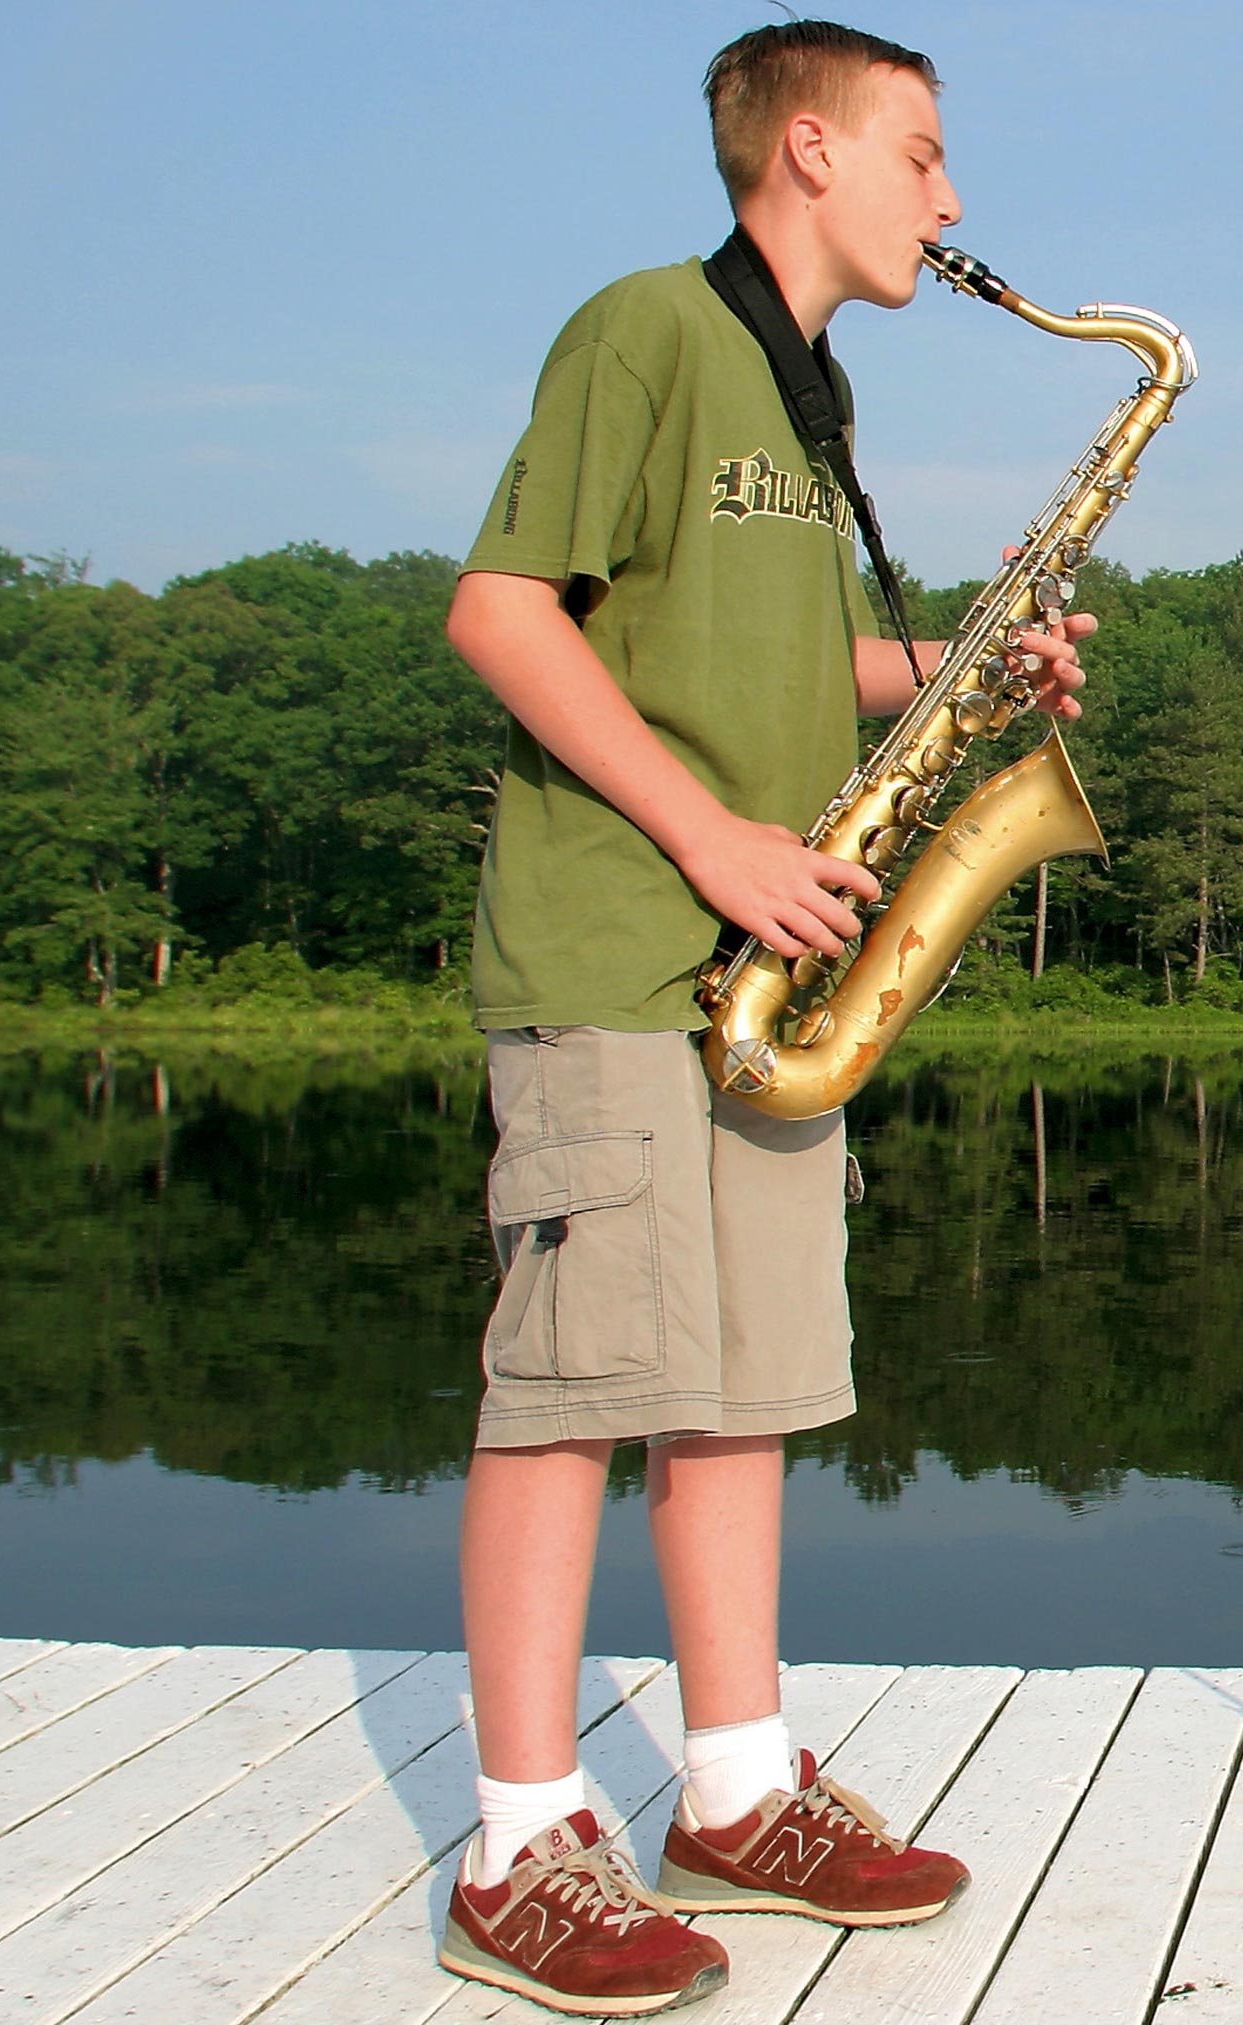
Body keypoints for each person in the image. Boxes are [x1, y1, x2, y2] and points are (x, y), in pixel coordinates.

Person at [436, 21, 1086, 2014]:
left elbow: (774, 655)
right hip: (624, 945)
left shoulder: (813, 399)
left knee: (743, 1384)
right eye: (923, 151)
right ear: (808, 147)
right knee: (569, 1392)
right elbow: (504, 609)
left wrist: (959, 672)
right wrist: (716, 838)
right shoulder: (648, 327)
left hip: (767, 972)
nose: (950, 198)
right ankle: (518, 1837)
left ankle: (733, 1786)